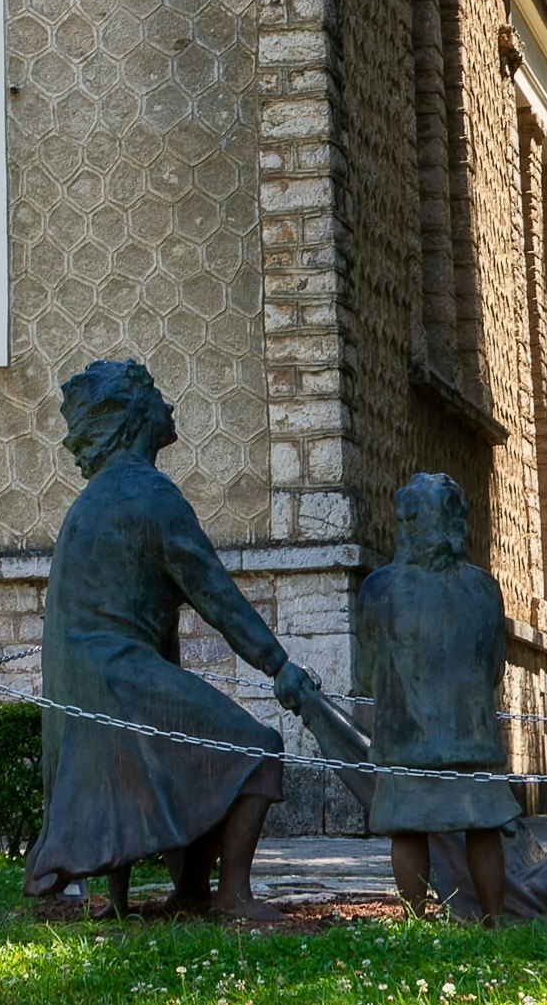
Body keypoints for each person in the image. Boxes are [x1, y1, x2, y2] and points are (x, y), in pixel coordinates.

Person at [22, 357, 337, 918]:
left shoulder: (91, 502)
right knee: (254, 750)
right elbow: (216, 595)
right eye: (157, 397)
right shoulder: (150, 496)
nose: (169, 406)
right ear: (138, 416)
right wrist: (279, 665)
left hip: (92, 682)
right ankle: (233, 898)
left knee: (191, 760)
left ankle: (187, 893)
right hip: (118, 677)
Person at [354, 472, 516, 922]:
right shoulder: (484, 589)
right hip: (472, 740)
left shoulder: (378, 589)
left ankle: (416, 918)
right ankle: (494, 917)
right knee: (482, 826)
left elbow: (368, 676)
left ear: (406, 522)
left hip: (406, 738)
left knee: (408, 827)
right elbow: (496, 669)